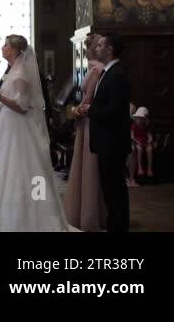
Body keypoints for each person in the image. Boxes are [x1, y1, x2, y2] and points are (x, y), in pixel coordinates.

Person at [0, 35, 69, 231]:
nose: (2, 47)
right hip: (7, 126)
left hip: (19, 128)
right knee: (2, 167)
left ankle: (32, 215)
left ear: (15, 50)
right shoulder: (12, 70)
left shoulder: (22, 73)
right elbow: (6, 99)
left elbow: (22, 107)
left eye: (6, 45)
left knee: (25, 168)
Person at [80, 32, 131, 233]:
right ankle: (115, 226)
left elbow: (114, 111)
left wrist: (89, 110)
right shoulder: (109, 72)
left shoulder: (117, 74)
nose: (97, 48)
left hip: (113, 142)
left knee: (115, 189)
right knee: (111, 189)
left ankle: (118, 227)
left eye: (101, 45)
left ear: (110, 50)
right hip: (107, 141)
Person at [64, 34, 106, 232]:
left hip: (88, 122)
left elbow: (87, 101)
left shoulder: (96, 69)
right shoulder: (92, 65)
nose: (91, 49)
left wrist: (75, 111)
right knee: (85, 165)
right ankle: (89, 212)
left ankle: (88, 214)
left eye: (92, 46)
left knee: (88, 166)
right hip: (86, 121)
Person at [131, 106, 154, 179]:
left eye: (141, 119)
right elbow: (132, 137)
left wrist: (149, 141)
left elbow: (149, 136)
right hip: (137, 142)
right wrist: (137, 142)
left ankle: (149, 169)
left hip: (145, 142)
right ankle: (140, 168)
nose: (139, 120)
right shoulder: (134, 126)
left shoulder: (146, 127)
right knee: (139, 149)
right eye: (138, 118)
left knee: (149, 149)